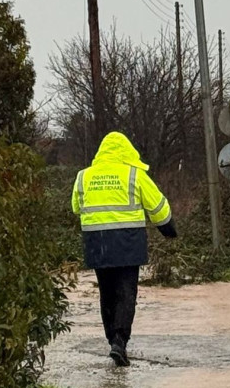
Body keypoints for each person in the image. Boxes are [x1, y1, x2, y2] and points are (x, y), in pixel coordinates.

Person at [72, 132, 177, 367]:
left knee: (107, 293)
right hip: (128, 243)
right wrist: (168, 229)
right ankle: (120, 341)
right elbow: (158, 206)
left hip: (97, 243)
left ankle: (112, 340)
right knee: (126, 292)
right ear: (127, 152)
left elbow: (76, 207)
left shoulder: (83, 176)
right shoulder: (134, 175)